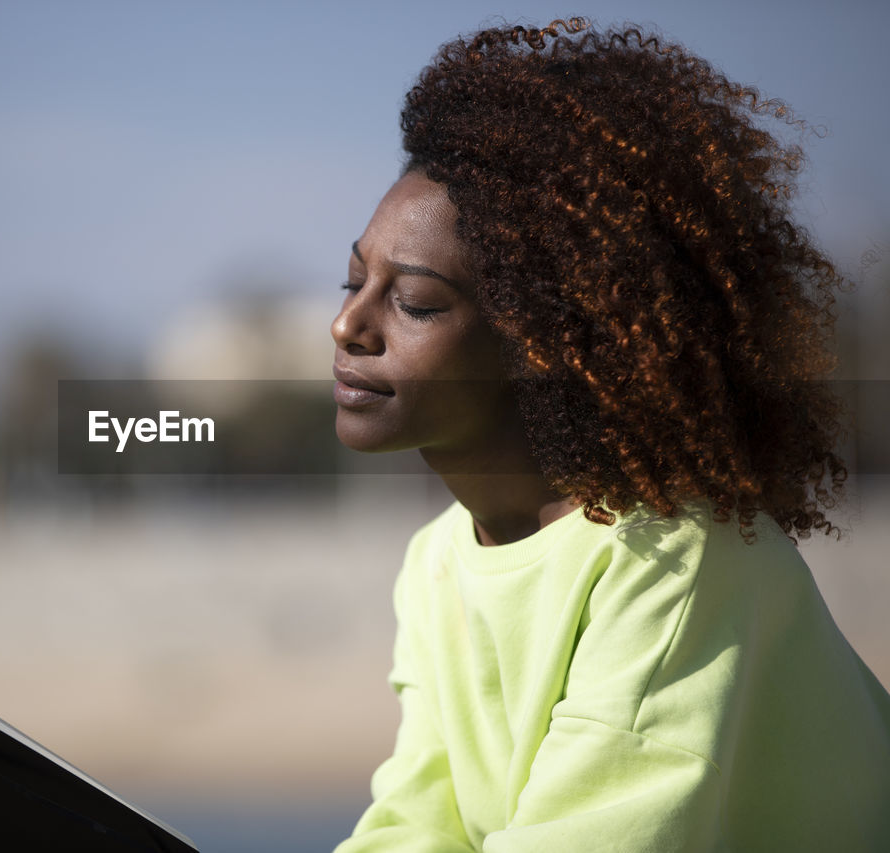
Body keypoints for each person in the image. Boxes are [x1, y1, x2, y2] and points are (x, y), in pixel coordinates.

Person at [330, 18, 890, 852]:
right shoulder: (438, 562)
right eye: (351, 280)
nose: (347, 324)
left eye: (413, 302)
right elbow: (419, 823)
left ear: (548, 340)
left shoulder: (672, 560)